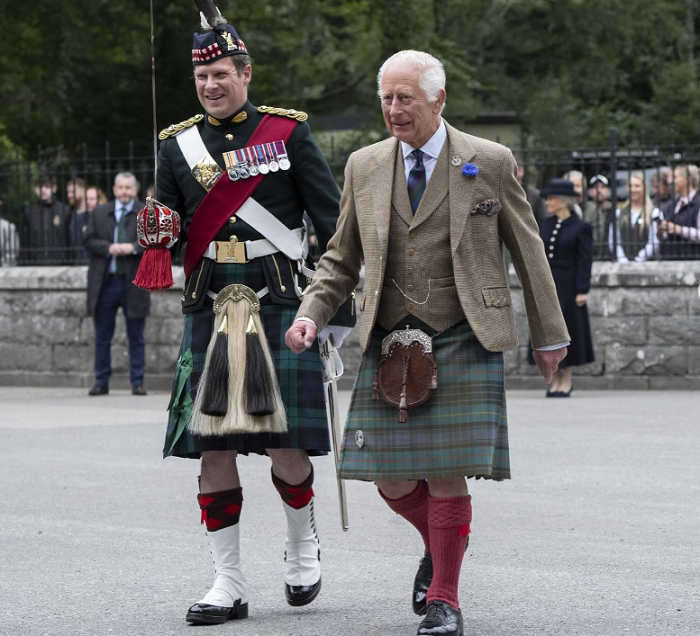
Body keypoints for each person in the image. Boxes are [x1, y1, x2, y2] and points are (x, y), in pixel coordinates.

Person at [286, 50, 569, 636]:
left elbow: (528, 248)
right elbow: (340, 257)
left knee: (445, 472)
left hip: (463, 330)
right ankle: (439, 547)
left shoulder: (488, 161)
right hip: (391, 337)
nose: (393, 109)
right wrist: (312, 312)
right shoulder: (364, 166)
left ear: (438, 99)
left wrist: (550, 335)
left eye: (405, 97)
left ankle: (445, 599)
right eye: (386, 98)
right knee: (388, 477)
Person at [154, 8, 354, 627]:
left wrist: (332, 315)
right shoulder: (177, 144)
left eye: (220, 74)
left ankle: (301, 548)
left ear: (245, 72)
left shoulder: (286, 135)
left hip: (278, 301)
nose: (211, 86)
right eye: (202, 77)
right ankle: (228, 582)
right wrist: (155, 230)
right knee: (212, 449)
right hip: (210, 304)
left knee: (284, 445)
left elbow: (333, 230)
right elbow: (167, 223)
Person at [84, 172, 149, 396]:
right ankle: (101, 381)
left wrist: (132, 247)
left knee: (136, 336)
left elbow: (155, 241)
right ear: (113, 190)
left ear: (135, 190)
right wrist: (108, 248)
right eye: (120, 188)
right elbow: (88, 240)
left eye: (128, 188)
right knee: (102, 335)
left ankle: (137, 382)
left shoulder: (145, 212)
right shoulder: (99, 213)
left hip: (134, 282)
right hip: (106, 283)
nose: (124, 192)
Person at [528, 179, 594, 396]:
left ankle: (567, 379)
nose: (547, 203)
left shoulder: (581, 227)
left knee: (569, 330)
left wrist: (582, 290)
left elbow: (585, 261)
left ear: (564, 202)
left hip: (569, 285)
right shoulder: (544, 224)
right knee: (548, 331)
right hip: (548, 284)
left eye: (552, 199)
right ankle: (554, 377)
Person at [19, 173, 71, 264]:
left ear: (54, 188)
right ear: (35, 189)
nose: (43, 190)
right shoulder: (29, 211)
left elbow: (69, 238)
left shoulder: (64, 210)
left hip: (60, 262)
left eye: (47, 187)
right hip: (35, 262)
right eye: (39, 187)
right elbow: (24, 240)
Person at [610, 173, 661, 262]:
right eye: (630, 186)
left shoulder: (654, 213)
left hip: (647, 265)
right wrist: (623, 260)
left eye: (637, 186)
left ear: (644, 188)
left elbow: (655, 242)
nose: (633, 189)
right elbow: (613, 241)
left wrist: (639, 259)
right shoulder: (619, 213)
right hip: (623, 266)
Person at [658, 164, 700, 259]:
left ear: (687, 180)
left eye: (675, 177)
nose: (671, 181)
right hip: (670, 260)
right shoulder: (672, 205)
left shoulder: (698, 204)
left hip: (691, 262)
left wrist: (680, 230)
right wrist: (662, 230)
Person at [584, 174, 614, 259]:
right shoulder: (585, 211)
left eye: (603, 187)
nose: (599, 190)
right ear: (589, 191)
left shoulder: (614, 211)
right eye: (595, 187)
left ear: (608, 191)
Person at [67, 178, 90, 264]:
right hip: (74, 263)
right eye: (68, 192)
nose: (69, 195)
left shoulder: (92, 215)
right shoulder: (69, 214)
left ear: (83, 191)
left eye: (72, 192)